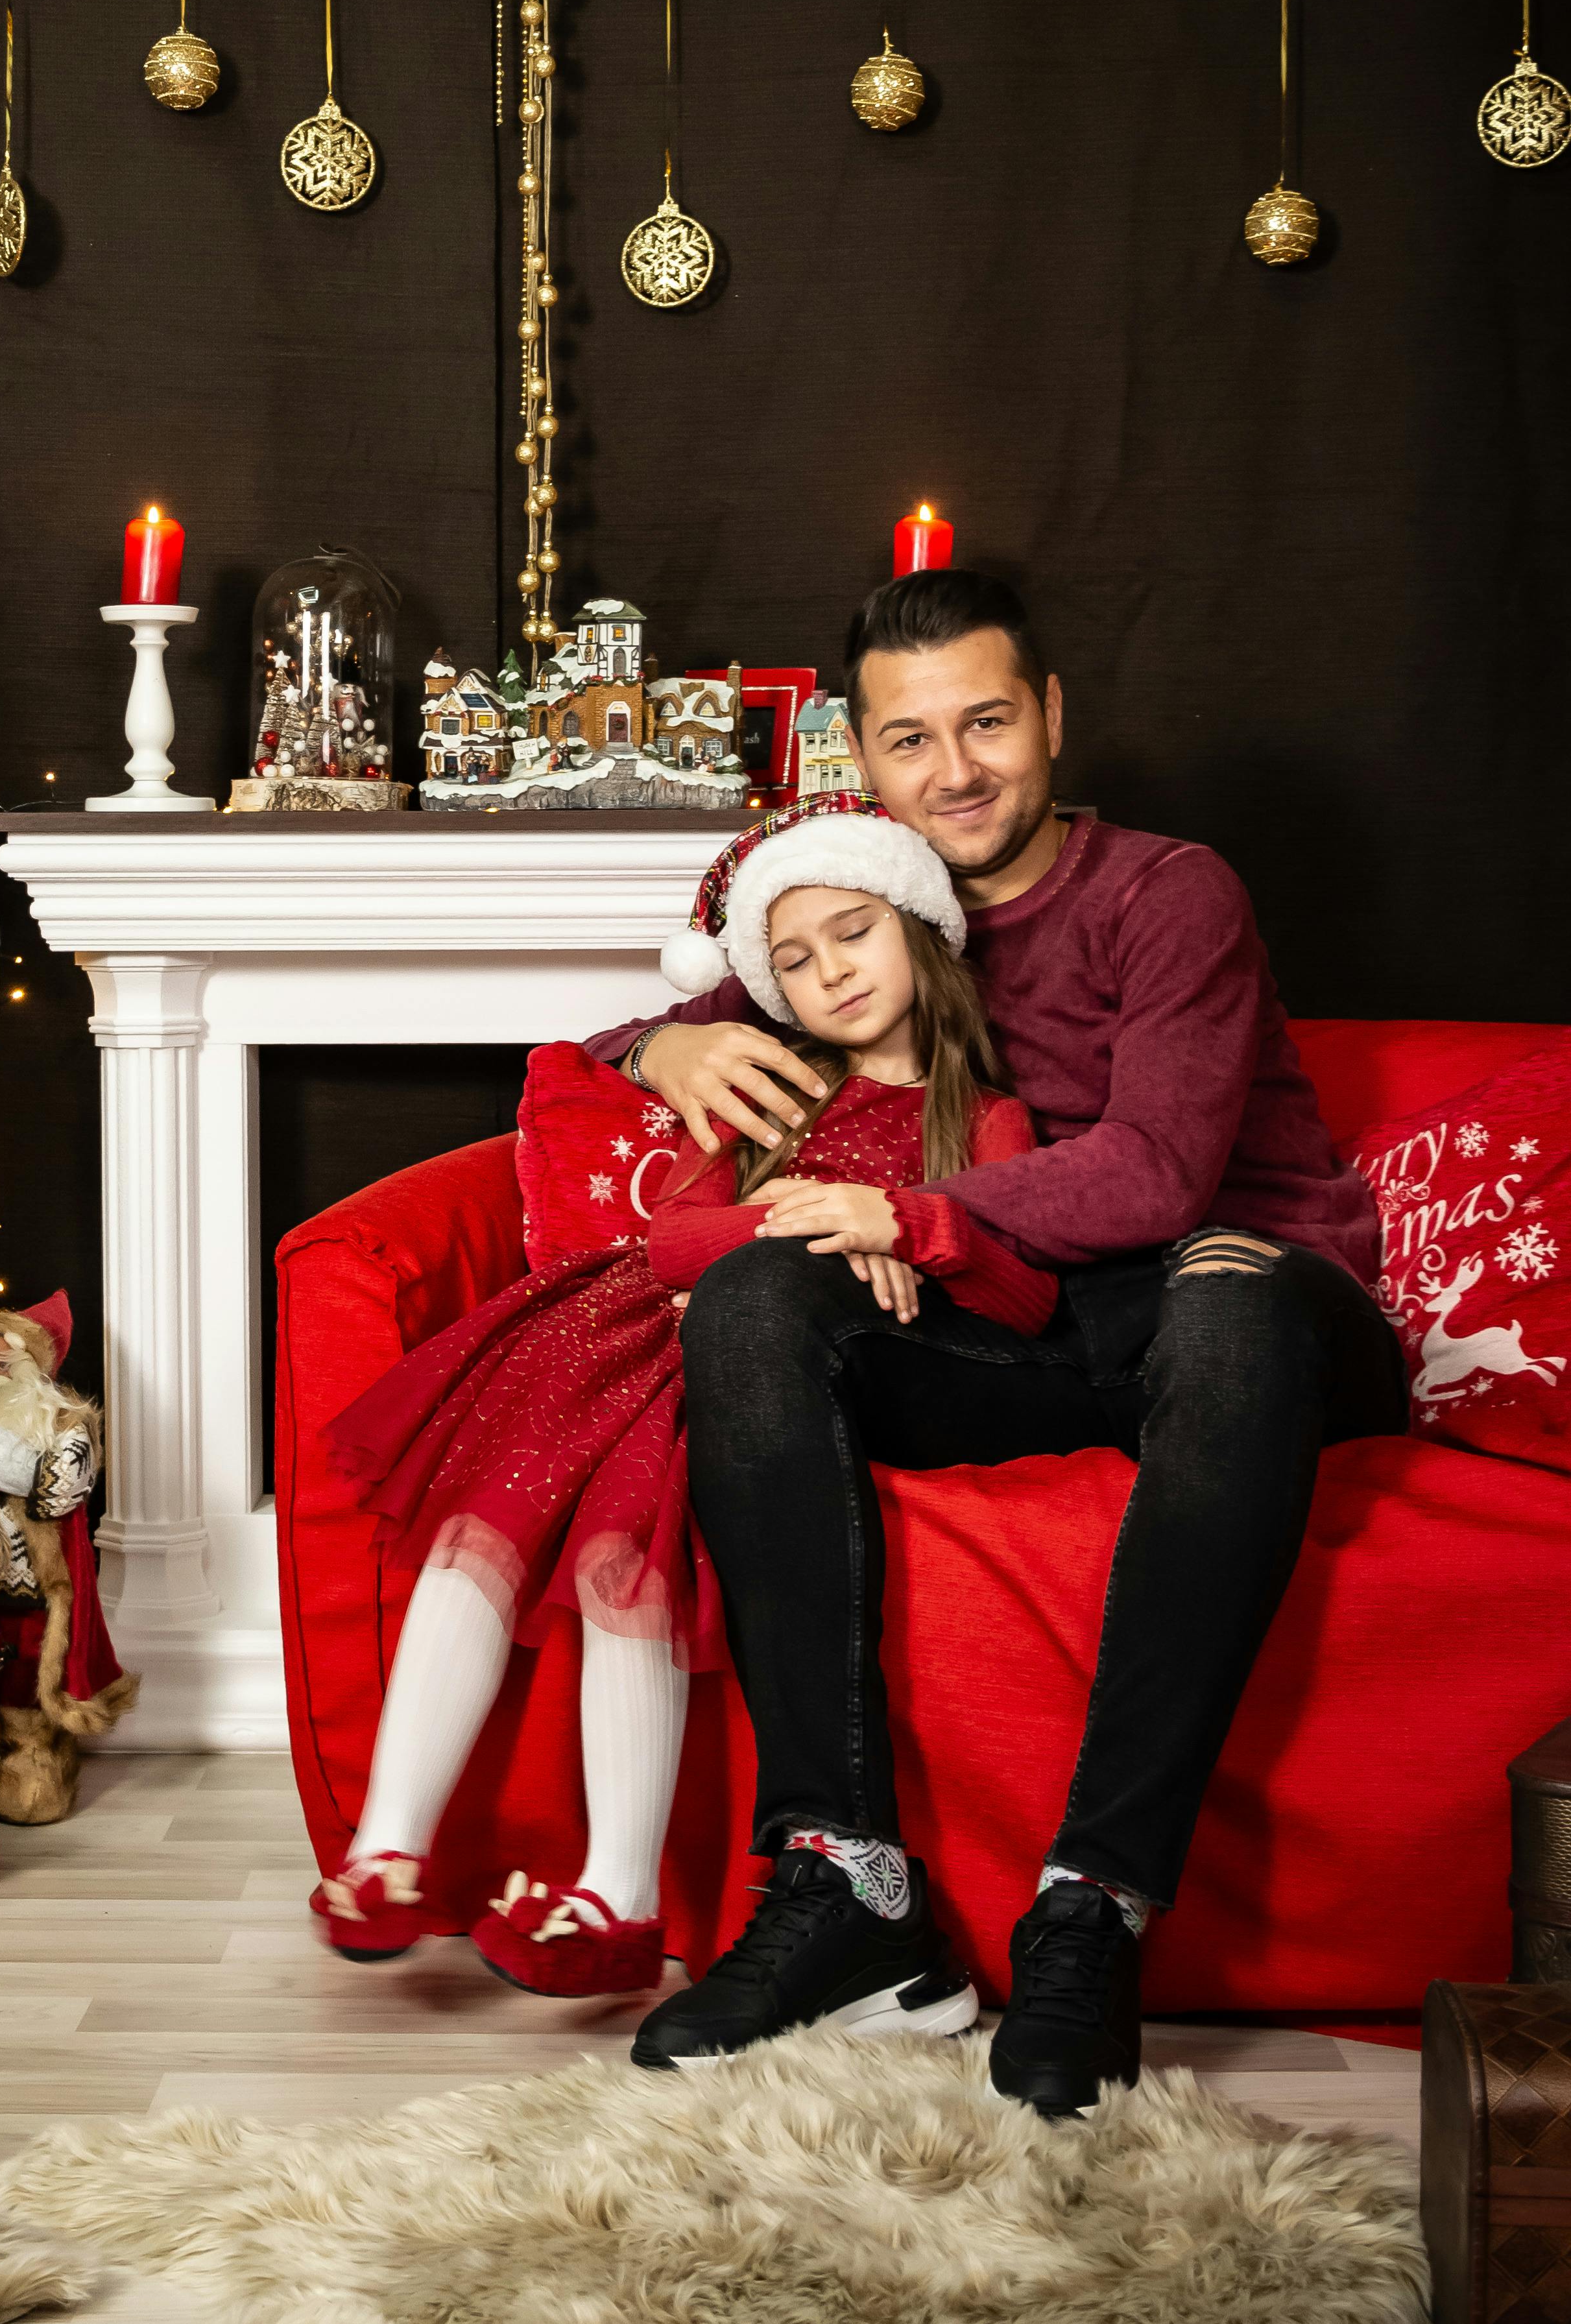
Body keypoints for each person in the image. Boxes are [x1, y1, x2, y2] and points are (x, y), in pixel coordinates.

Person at [596, 566, 1406, 2118]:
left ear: (1048, 716)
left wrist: (908, 1216)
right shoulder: (875, 912)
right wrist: (662, 1036)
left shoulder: (1167, 892)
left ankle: (1092, 1906)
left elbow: (1155, 1175)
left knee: (1223, 1291)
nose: (953, 771)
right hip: (1039, 1336)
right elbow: (667, 1030)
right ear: (860, 760)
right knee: (760, 1294)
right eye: (910, 741)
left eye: (984, 722)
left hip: (1251, 1310)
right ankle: (844, 1881)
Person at [311, 808, 1057, 2001]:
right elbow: (672, 1239)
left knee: (629, 1559)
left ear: (921, 930)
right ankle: (385, 1850)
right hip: (607, 1341)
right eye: (796, 962)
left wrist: (908, 1234)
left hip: (734, 1375)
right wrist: (793, 1207)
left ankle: (617, 1893)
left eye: (852, 934)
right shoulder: (782, 1092)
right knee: (476, 1539)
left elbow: (1023, 1296)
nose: (831, 975)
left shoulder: (981, 1121)